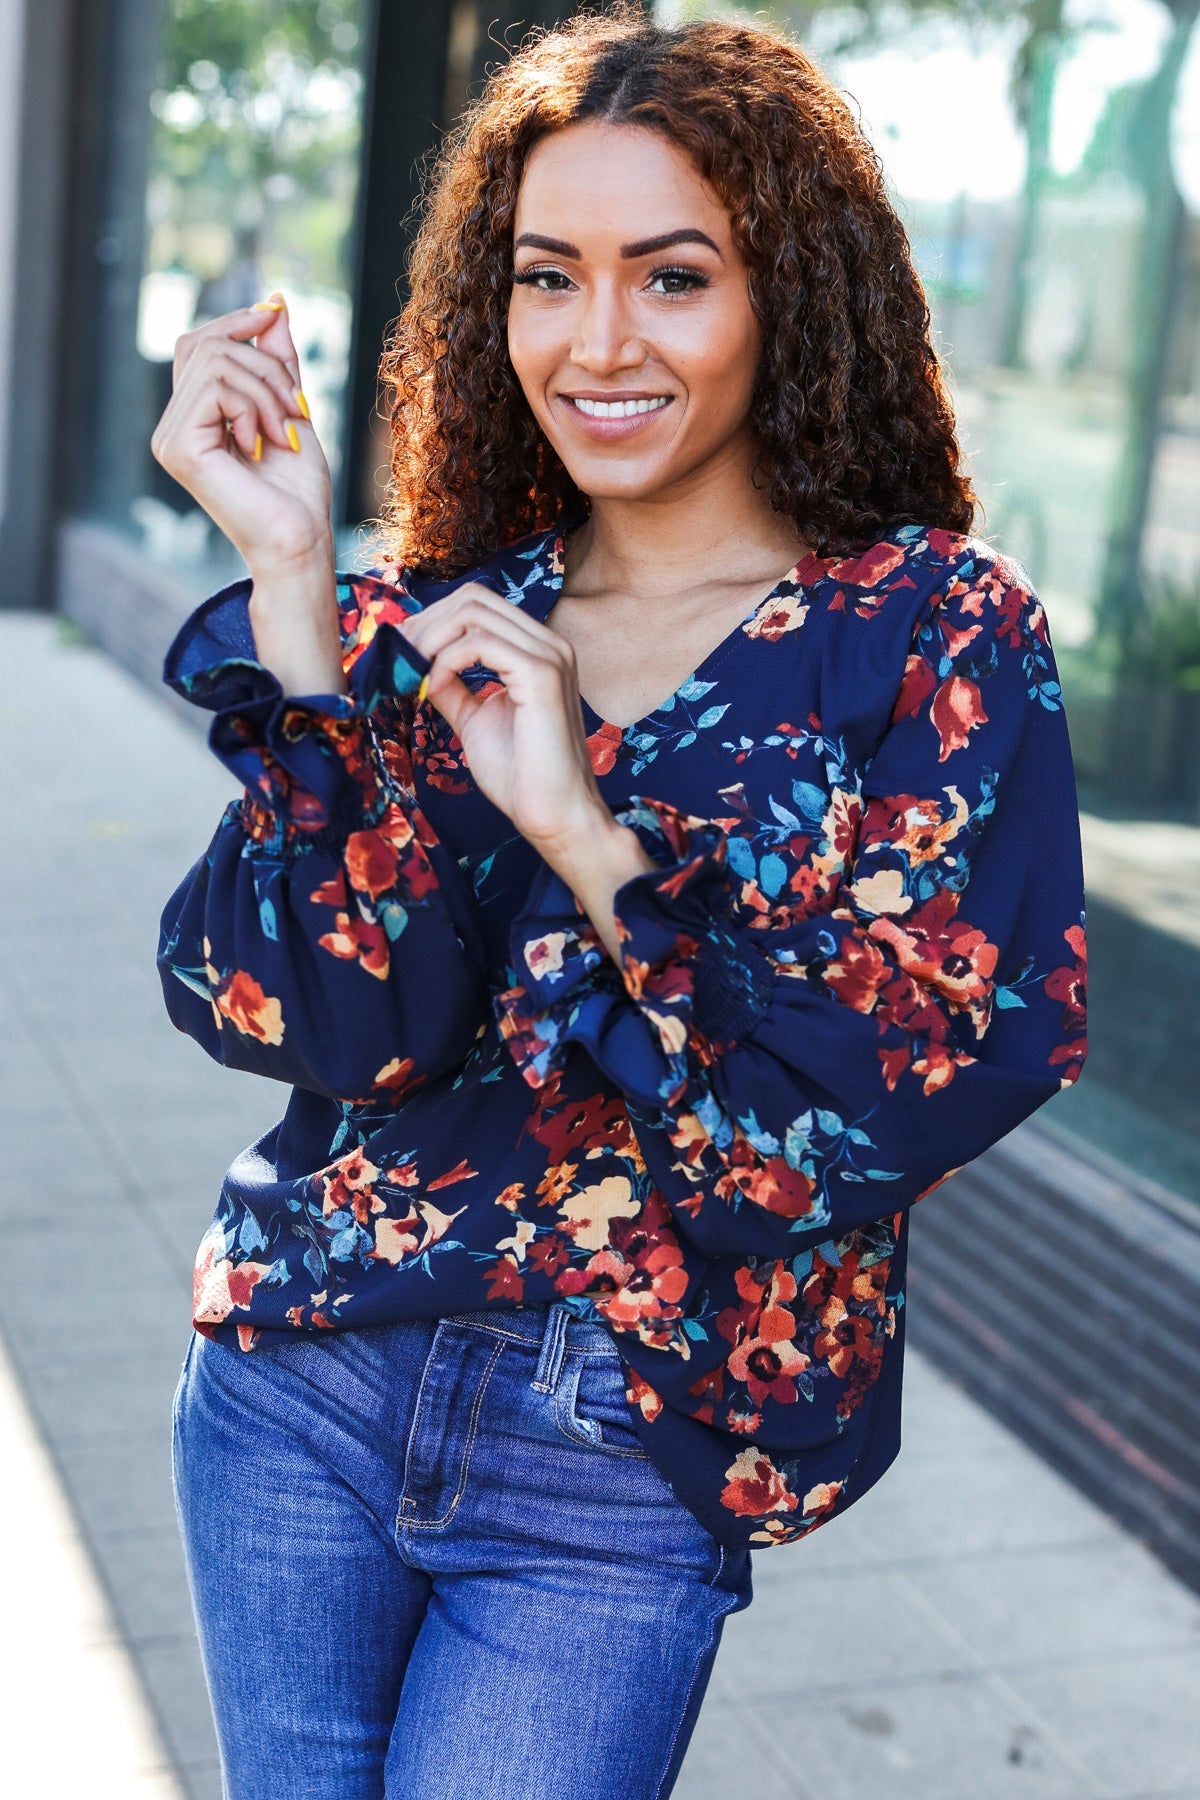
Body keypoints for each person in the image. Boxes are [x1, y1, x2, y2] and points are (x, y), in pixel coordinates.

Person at [152, 7, 1088, 1796]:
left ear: (788, 295)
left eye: (671, 278)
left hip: (616, 1449)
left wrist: (590, 837)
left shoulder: (932, 638)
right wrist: (292, 589)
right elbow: (319, 1024)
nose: (594, 344)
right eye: (544, 277)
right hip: (302, 1387)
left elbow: (846, 1126)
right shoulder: (444, 617)